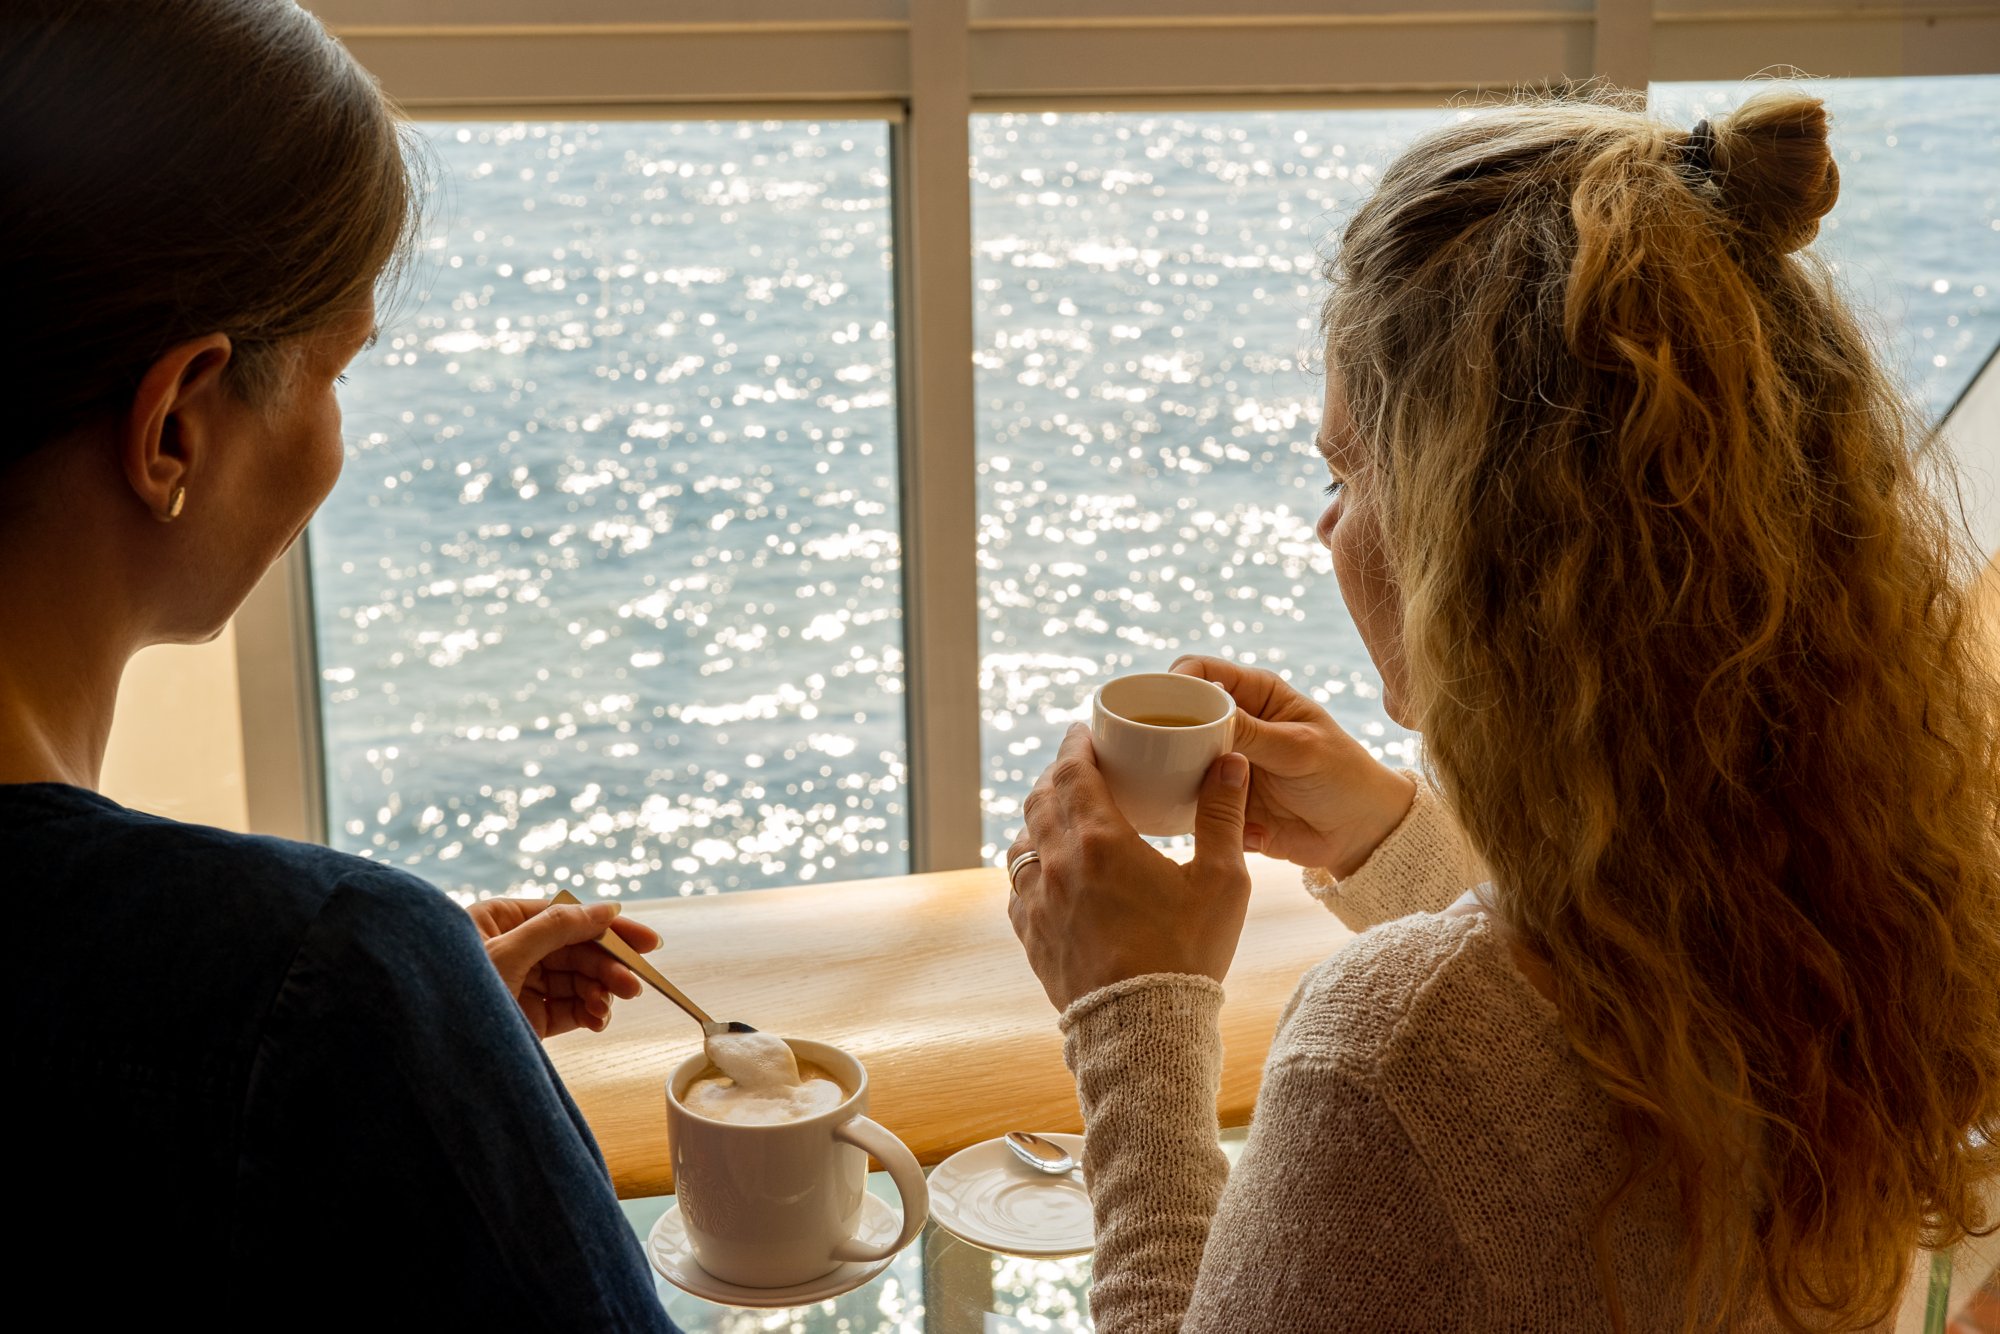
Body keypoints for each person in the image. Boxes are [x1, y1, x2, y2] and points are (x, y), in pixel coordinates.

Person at [1006, 88, 2000, 1331]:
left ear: (1481, 541)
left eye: (1347, 471)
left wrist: (1133, 1016)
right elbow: (1597, 1050)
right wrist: (1389, 837)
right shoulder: (1870, 907)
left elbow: (1486, 1086)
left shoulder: (1384, 1063)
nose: (1326, 525)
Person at [1, 3, 677, 1327]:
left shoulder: (324, 1001)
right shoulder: (322, 978)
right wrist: (402, 1043)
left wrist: (431, 1056)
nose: (336, 439)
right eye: (339, 370)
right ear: (177, 423)